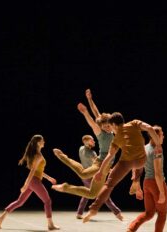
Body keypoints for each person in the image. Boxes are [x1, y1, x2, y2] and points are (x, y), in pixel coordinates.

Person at [52, 89, 123, 221]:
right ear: (101, 127)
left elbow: (97, 113)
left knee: (92, 194)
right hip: (100, 162)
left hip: (107, 166)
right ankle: (62, 156)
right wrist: (85, 112)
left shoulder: (112, 131)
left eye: (109, 126)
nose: (108, 128)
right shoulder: (100, 133)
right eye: (105, 126)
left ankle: (66, 187)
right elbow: (92, 121)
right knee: (84, 174)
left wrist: (90, 99)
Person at [83, 112, 161, 222]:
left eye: (110, 127)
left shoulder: (116, 139)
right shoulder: (134, 123)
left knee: (109, 185)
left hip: (126, 163)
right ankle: (136, 181)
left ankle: (93, 209)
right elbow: (149, 128)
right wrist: (157, 144)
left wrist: (100, 172)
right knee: (140, 162)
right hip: (141, 161)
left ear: (114, 124)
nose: (111, 130)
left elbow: (109, 156)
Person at [0, 135, 59, 230]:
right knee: (47, 201)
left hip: (33, 181)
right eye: (42, 140)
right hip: (34, 181)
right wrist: (25, 185)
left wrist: (48, 178)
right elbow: (32, 171)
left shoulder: (38, 154)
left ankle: (1, 217)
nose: (44, 142)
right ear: (38, 142)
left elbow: (39, 171)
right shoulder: (38, 155)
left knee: (19, 202)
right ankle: (50, 224)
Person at [126, 125, 167, 232]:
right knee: (162, 213)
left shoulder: (144, 149)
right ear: (155, 136)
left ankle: (131, 229)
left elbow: (135, 167)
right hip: (156, 183)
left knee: (149, 213)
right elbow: (158, 173)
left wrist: (137, 185)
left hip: (146, 183)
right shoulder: (157, 149)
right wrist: (161, 192)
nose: (163, 136)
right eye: (162, 134)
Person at [75, 135, 122, 220]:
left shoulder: (81, 148)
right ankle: (117, 212)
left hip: (84, 175)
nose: (94, 142)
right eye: (92, 140)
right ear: (85, 141)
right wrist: (109, 169)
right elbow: (99, 163)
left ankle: (79, 213)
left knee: (87, 193)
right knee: (102, 194)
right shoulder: (92, 153)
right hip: (91, 176)